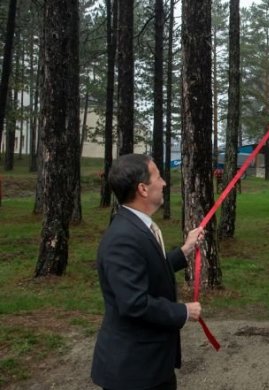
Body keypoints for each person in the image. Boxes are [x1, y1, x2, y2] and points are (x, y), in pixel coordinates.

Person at [91, 154, 203, 390]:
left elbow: (148, 267)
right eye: (158, 177)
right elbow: (134, 303)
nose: (163, 183)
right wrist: (182, 311)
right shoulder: (123, 238)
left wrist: (184, 251)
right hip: (133, 373)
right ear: (142, 188)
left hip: (150, 367)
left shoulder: (137, 226)